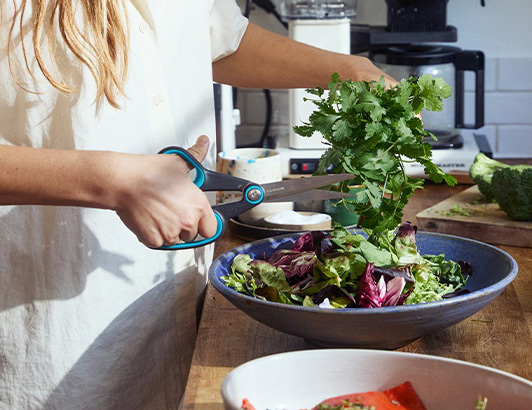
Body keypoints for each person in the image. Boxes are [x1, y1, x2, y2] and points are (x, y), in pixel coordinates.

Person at [0, 1, 395, 409]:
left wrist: (346, 70)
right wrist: (110, 180)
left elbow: (216, 38)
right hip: (53, 341)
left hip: (177, 317)